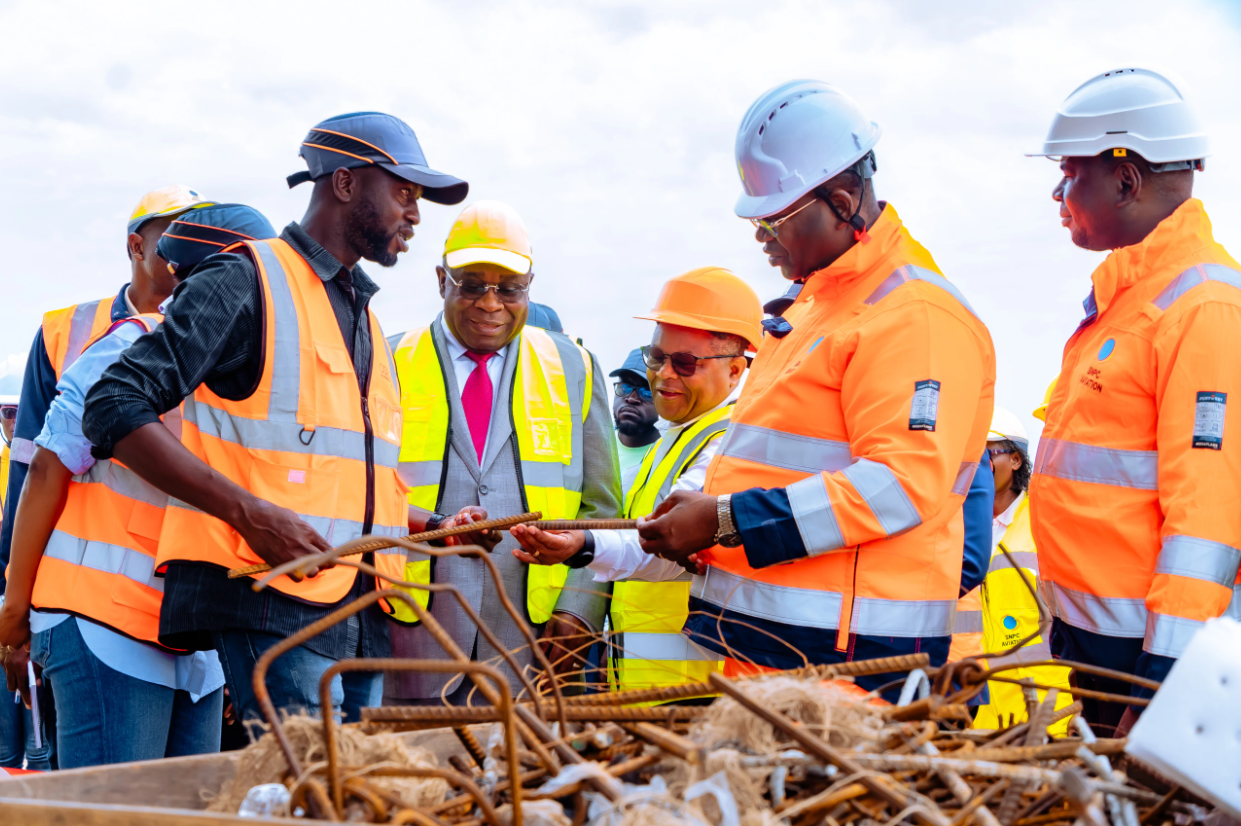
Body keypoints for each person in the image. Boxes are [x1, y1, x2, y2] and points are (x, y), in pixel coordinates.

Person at [80, 112, 469, 729]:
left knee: (346, 797)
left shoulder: (361, 313)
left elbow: (335, 480)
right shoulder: (245, 278)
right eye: (403, 192)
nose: (416, 214)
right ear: (343, 184)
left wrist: (438, 526)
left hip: (360, 606)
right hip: (272, 597)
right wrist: (248, 514)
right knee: (312, 793)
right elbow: (111, 405)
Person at [635, 81, 995, 694]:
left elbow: (900, 485)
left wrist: (723, 522)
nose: (762, 238)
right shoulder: (811, 312)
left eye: (775, 218)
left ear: (844, 199)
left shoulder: (915, 318)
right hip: (773, 649)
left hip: (856, 668)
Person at [0, 205, 275, 768]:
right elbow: (47, 470)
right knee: (113, 809)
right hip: (106, 622)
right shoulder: (130, 348)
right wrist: (15, 606)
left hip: (195, 639)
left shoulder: (262, 376)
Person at [1026, 67, 1241, 734]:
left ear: (1125, 180)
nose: (1058, 192)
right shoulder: (1129, 299)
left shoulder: (1199, 307)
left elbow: (1206, 521)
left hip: (1140, 654)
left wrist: (1159, 686)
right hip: (1097, 636)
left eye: (1069, 173)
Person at [384, 199, 620, 704]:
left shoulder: (574, 366)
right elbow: (360, 495)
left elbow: (602, 510)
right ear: (441, 280)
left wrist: (580, 609)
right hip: (409, 638)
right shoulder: (387, 360)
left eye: (509, 289)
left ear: (529, 287)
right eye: (471, 285)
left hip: (531, 646)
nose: (490, 304)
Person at [511, 267, 762, 694]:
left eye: (685, 363)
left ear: (736, 371)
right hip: (648, 685)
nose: (664, 374)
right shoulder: (679, 434)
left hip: (693, 692)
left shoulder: (733, 444)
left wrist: (582, 546)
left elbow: (664, 542)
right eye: (656, 357)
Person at [951, 408, 1072, 731]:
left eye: (989, 453)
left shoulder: (1044, 522)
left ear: (1016, 460)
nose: (980, 465)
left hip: (1046, 702)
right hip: (978, 703)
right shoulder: (955, 526)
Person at [610, 348, 661, 491]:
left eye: (647, 392)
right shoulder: (594, 447)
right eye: (624, 388)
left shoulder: (667, 457)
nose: (631, 399)